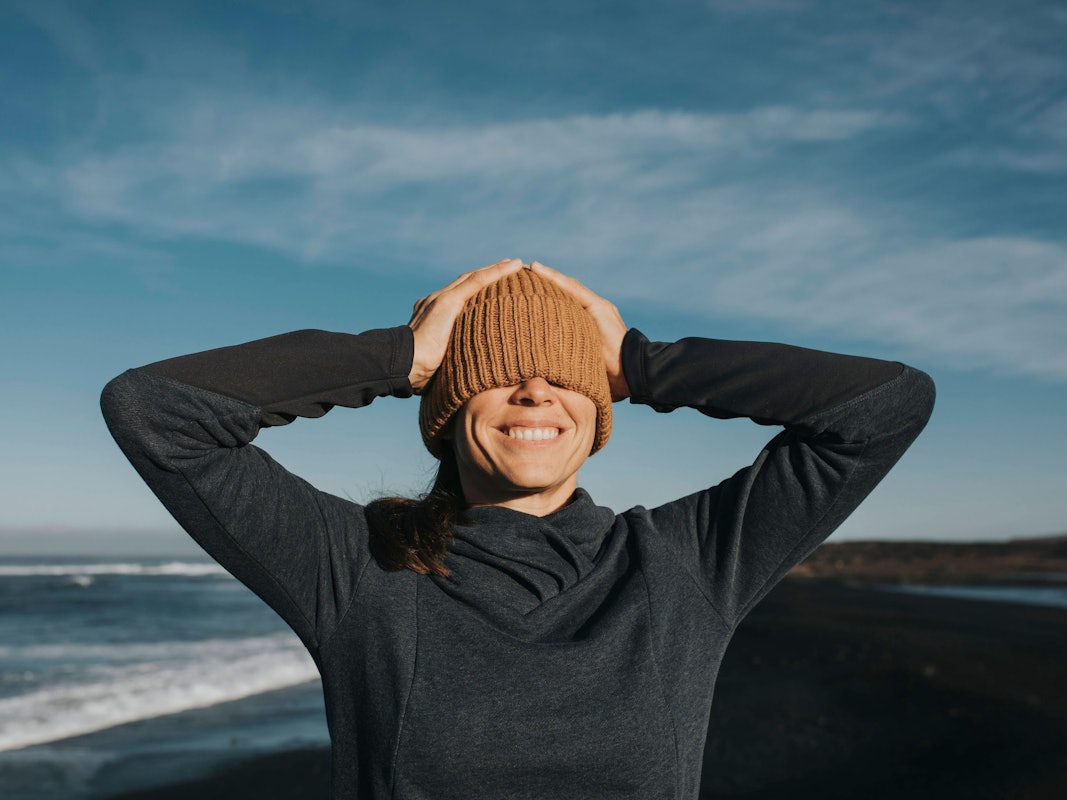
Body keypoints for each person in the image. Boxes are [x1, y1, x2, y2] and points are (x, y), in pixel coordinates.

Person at [101, 258, 934, 799]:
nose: (535, 393)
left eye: (563, 377)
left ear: (596, 407)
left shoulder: (685, 563)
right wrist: (401, 355)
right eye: (498, 376)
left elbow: (883, 407)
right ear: (446, 407)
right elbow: (155, 412)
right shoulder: (360, 568)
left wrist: (643, 362)